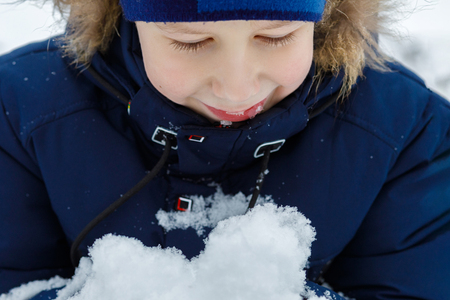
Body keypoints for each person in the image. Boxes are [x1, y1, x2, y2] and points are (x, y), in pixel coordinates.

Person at [1, 0, 449, 299]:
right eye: (191, 41)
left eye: (276, 36)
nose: (237, 89)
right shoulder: (21, 113)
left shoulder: (405, 133)